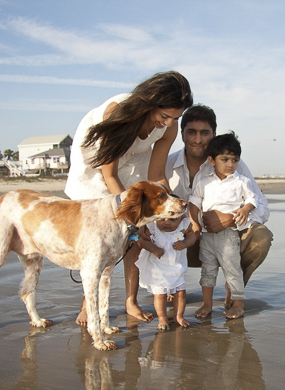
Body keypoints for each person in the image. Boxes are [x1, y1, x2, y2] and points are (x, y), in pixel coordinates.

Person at [65, 71, 193, 324]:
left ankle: (130, 301)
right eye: (164, 115)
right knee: (98, 237)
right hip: (100, 162)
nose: (169, 123)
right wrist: (132, 217)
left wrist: (163, 207)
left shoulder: (169, 125)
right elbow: (109, 175)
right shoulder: (119, 112)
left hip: (135, 162)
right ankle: (86, 305)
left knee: (132, 238)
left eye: (175, 118)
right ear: (149, 102)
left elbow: (157, 176)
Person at [165, 104, 272, 312]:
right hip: (184, 242)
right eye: (192, 132)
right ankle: (168, 286)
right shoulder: (167, 165)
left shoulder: (233, 165)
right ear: (182, 135)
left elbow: (262, 206)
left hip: (227, 240)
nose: (198, 139)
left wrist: (230, 219)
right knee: (144, 232)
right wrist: (193, 225)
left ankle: (235, 287)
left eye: (204, 133)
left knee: (262, 237)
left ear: (214, 134)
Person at [188, 132, 259, 319]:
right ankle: (207, 304)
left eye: (235, 160)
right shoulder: (204, 182)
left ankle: (238, 304)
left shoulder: (241, 181)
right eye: (224, 159)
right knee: (208, 270)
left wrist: (245, 210)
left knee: (232, 269)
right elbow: (194, 203)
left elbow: (253, 199)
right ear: (212, 160)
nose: (230, 164)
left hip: (229, 234)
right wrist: (195, 224)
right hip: (207, 236)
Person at [135, 215, 197, 330]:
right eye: (162, 219)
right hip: (158, 269)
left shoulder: (184, 225)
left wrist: (185, 244)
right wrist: (153, 249)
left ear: (181, 218)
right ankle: (162, 317)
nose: (167, 223)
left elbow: (192, 236)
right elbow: (142, 241)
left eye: (173, 220)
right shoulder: (153, 227)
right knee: (160, 295)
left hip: (176, 267)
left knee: (181, 293)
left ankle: (178, 316)